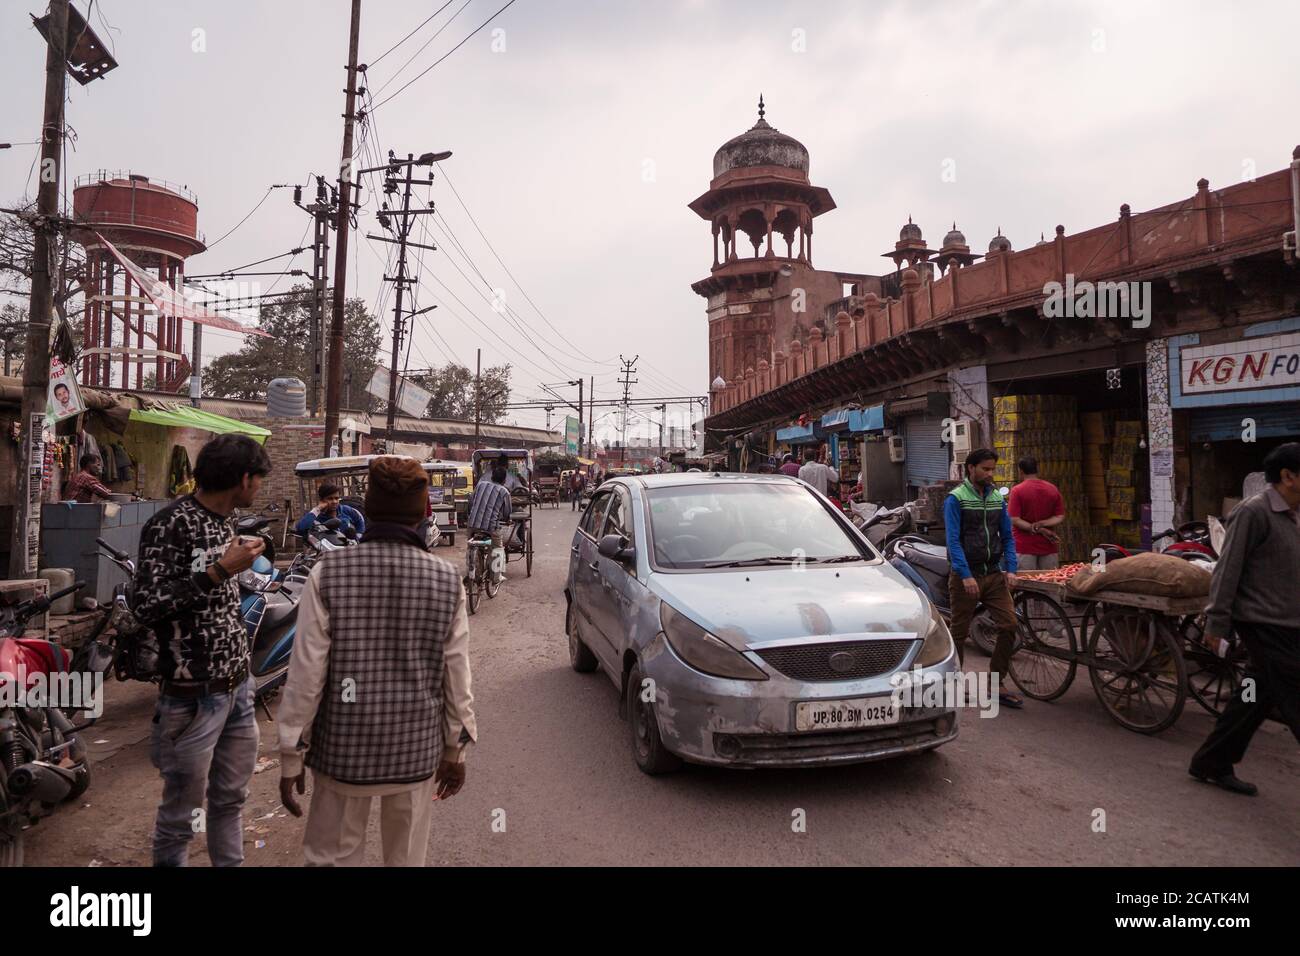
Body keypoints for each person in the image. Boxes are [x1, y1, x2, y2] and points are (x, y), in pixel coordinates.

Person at [277, 456, 476, 865]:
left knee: (331, 858)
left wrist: (290, 755)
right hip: (415, 753)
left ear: (366, 506)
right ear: (424, 513)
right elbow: (456, 678)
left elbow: (306, 675)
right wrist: (456, 751)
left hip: (342, 753)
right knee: (405, 858)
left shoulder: (328, 573)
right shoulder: (445, 581)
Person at [132, 434, 271, 866]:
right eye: (259, 480)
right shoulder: (170, 524)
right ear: (243, 479)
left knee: (230, 802)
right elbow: (146, 605)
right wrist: (217, 571)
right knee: (181, 819)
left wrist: (235, 566)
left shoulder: (225, 522)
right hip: (192, 699)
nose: (259, 488)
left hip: (237, 691)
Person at [1187, 443, 1300, 796]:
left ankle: (1211, 761)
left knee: (1255, 696)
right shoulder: (1254, 512)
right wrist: (1216, 622)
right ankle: (1212, 761)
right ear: (1288, 476)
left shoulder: (1295, 512)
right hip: (1263, 622)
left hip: (1291, 621)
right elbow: (1227, 569)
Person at [944, 447, 1022, 708]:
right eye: (985, 469)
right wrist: (965, 575)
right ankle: (952, 683)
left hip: (993, 574)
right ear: (971, 468)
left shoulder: (998, 499)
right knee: (959, 632)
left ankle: (996, 682)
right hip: (966, 576)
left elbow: (1008, 537)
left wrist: (1011, 568)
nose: (990, 474)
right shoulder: (956, 498)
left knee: (1009, 625)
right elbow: (953, 541)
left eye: (992, 469)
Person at [1008, 456, 1065, 570]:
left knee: (1026, 582)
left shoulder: (1017, 490)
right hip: (1048, 545)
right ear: (1037, 469)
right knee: (1050, 581)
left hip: (1024, 546)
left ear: (1021, 471)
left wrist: (1036, 528)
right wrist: (1043, 525)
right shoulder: (1052, 488)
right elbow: (1060, 516)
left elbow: (1014, 519)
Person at [464, 465, 513, 584]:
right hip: (491, 527)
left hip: (472, 524)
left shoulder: (480, 485)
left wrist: (471, 516)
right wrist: (506, 520)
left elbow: (470, 502)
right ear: (504, 480)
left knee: (471, 546)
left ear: (492, 477)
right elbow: (507, 512)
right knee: (498, 549)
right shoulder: (504, 492)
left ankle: (471, 572)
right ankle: (496, 577)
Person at [294, 482, 366, 538]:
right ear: (322, 500)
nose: (334, 502)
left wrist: (358, 536)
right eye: (330, 498)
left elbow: (359, 520)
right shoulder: (316, 517)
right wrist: (317, 509)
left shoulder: (346, 510)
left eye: (336, 498)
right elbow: (301, 528)